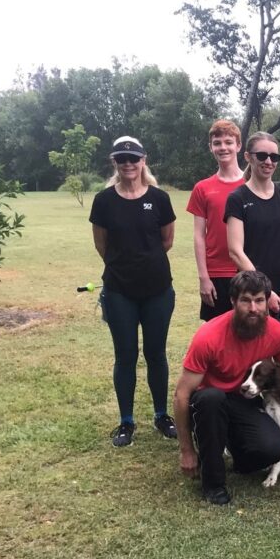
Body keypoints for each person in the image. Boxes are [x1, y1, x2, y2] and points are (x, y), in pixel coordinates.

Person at [173, 271, 280, 505]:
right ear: (232, 301)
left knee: (272, 449)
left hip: (245, 400)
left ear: (267, 301)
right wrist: (186, 450)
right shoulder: (209, 336)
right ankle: (213, 483)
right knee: (211, 399)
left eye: (259, 300)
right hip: (209, 402)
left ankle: (235, 449)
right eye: (245, 300)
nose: (253, 308)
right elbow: (181, 395)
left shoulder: (279, 333)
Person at [90, 135, 177, 448]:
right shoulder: (104, 201)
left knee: (156, 354)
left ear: (143, 160)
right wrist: (122, 266)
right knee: (125, 356)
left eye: (134, 158)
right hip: (119, 291)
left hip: (157, 290)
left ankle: (161, 415)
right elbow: (102, 244)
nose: (128, 163)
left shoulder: (159, 198)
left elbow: (166, 241)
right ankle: (126, 421)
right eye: (122, 159)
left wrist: (145, 262)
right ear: (115, 162)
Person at [225, 131, 280, 346]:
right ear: (248, 157)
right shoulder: (237, 198)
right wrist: (264, 292)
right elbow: (235, 250)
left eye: (274, 157)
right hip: (252, 294)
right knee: (254, 359)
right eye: (262, 156)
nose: (268, 161)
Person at [186, 119, 245, 321]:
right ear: (211, 147)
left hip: (249, 268)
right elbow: (199, 235)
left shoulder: (253, 184)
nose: (223, 147)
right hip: (217, 272)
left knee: (252, 334)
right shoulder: (202, 188)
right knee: (218, 337)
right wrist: (204, 277)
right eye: (217, 143)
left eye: (228, 142)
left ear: (238, 145)